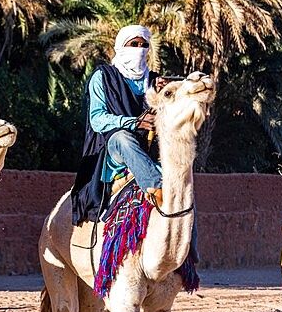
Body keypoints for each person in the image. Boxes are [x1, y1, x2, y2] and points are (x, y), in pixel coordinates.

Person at [70, 24, 198, 260]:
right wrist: (135, 122)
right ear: (121, 47)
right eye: (133, 44)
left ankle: (189, 252)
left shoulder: (155, 81)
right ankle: (155, 185)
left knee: (184, 180)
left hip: (149, 151)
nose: (139, 49)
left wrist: (165, 95)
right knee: (123, 138)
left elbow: (171, 115)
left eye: (143, 45)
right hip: (114, 149)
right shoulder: (103, 76)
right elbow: (97, 120)